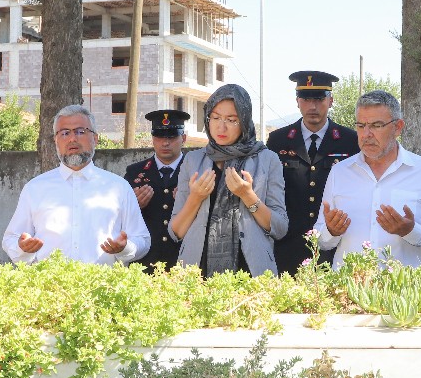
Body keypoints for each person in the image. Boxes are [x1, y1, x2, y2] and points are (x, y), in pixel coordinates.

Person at [315, 90, 421, 267]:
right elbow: (319, 240)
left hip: (404, 290)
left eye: (376, 125)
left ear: (397, 127)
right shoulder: (340, 172)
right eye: (360, 125)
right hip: (349, 290)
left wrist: (412, 231)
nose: (366, 134)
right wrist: (330, 231)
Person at [2, 105, 149, 265]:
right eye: (65, 133)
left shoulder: (119, 187)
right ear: (56, 140)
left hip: (104, 286)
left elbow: (142, 240)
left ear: (95, 138)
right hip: (49, 287)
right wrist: (23, 248)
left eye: (80, 131)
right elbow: (10, 239)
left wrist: (125, 248)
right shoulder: (35, 189)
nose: (72, 139)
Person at [169, 84, 287, 276]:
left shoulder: (267, 160)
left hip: (252, 273)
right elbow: (176, 232)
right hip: (196, 274)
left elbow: (280, 228)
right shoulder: (193, 160)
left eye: (231, 120)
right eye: (215, 118)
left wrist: (248, 196)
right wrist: (195, 198)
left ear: (244, 120)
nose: (220, 127)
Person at [266, 71, 359, 274]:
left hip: (333, 247)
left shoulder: (350, 140)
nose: (312, 106)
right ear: (297, 101)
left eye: (319, 98)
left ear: (331, 100)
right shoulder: (278, 140)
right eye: (306, 99)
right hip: (287, 246)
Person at [124, 109, 190, 271]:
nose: (165, 143)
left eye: (171, 137)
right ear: (153, 138)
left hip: (185, 261)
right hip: (145, 263)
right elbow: (121, 219)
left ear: (184, 138)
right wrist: (134, 207)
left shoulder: (195, 171)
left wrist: (191, 204)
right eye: (160, 137)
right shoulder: (134, 173)